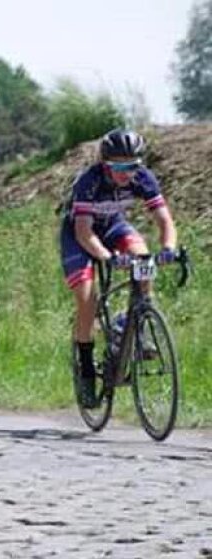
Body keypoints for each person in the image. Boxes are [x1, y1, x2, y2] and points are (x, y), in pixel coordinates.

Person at [60, 128, 179, 408]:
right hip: (80, 234)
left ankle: (127, 323)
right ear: (105, 164)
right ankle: (86, 371)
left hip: (113, 225)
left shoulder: (143, 178)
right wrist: (107, 257)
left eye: (132, 166)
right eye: (119, 167)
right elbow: (83, 233)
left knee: (143, 258)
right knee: (87, 298)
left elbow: (165, 221)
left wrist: (169, 249)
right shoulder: (89, 182)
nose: (126, 173)